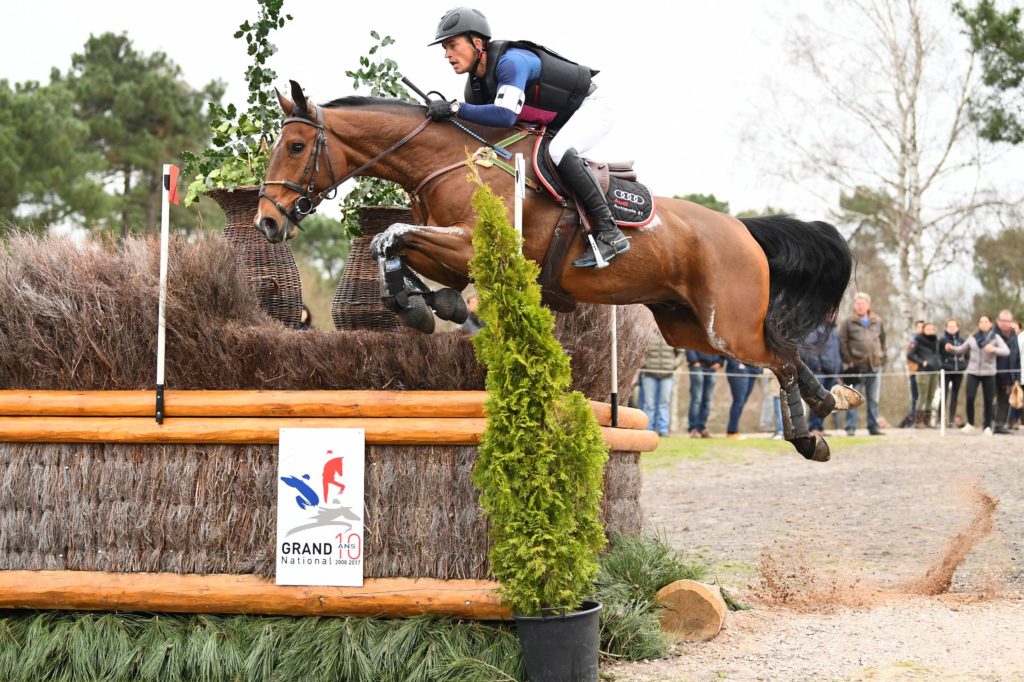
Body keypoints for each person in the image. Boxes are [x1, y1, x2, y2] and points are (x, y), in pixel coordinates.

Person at [427, 7, 629, 268]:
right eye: (445, 48)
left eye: (452, 45)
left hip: (592, 106)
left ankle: (610, 232)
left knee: (558, 151)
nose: (447, 55)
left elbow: (505, 116)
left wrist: (454, 108)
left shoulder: (512, 63)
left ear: (477, 43)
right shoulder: (475, 87)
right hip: (557, 119)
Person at [945, 314, 1009, 435]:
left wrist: (994, 349)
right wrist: (951, 348)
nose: (983, 324)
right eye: (981, 322)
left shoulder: (995, 338)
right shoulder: (972, 338)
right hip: (973, 372)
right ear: (979, 324)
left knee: (988, 400)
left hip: (989, 373)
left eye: (986, 322)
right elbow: (961, 349)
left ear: (990, 324)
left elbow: (1006, 351)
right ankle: (970, 423)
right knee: (969, 398)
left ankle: (987, 426)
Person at [838, 292, 886, 436]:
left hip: (875, 367)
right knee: (853, 398)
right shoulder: (848, 322)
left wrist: (882, 358)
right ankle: (851, 427)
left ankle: (873, 427)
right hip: (856, 367)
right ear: (854, 305)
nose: (860, 306)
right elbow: (842, 343)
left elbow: (883, 341)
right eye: (857, 303)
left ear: (868, 305)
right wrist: (848, 361)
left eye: (862, 303)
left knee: (873, 399)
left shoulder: (877, 321)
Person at [638, 328, 685, 436]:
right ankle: (648, 428)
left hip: (667, 375)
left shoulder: (672, 335)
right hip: (649, 375)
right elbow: (640, 351)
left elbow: (681, 353)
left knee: (664, 403)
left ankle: (663, 430)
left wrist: (673, 365)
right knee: (649, 404)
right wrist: (645, 365)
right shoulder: (646, 333)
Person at [801, 321, 842, 436]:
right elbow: (808, 346)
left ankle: (819, 427)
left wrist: (838, 371)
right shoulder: (816, 327)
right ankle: (813, 427)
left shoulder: (834, 329)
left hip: (832, 372)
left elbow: (837, 352)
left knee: (827, 402)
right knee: (818, 400)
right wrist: (817, 365)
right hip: (819, 371)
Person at [906, 322, 942, 427]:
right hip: (923, 372)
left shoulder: (936, 341)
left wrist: (938, 363)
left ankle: (927, 421)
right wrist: (922, 362)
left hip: (934, 371)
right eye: (928, 328)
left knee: (931, 396)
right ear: (924, 330)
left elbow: (938, 354)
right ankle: (919, 421)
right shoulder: (917, 340)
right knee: (922, 396)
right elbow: (910, 354)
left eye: (932, 328)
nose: (930, 330)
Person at [993, 309, 1021, 434]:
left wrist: (1017, 376)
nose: (1005, 323)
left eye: (1008, 321)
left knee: (1004, 401)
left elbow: (1017, 357)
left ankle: (1000, 425)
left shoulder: (1014, 336)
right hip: (993, 373)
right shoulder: (993, 334)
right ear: (998, 321)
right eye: (1003, 321)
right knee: (991, 400)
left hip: (1009, 374)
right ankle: (988, 424)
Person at [685, 349, 723, 438]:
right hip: (697, 366)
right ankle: (693, 428)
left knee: (707, 401)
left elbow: (721, 347)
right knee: (696, 399)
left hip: (712, 368)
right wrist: (694, 361)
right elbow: (689, 345)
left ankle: (701, 427)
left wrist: (720, 362)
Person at [939, 318, 968, 427]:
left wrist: (964, 365)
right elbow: (938, 355)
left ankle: (951, 421)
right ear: (946, 328)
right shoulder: (942, 340)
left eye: (954, 326)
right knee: (944, 395)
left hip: (958, 371)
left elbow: (967, 355)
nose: (952, 328)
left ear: (958, 327)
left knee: (954, 397)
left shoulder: (962, 340)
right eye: (950, 326)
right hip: (945, 371)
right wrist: (941, 366)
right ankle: (940, 420)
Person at [724, 357, 760, 439]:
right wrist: (736, 364)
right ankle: (731, 431)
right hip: (738, 369)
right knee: (738, 401)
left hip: (753, 370)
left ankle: (734, 431)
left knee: (742, 402)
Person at [900, 320, 924, 428]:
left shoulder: (928, 341)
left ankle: (923, 420)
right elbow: (908, 357)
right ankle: (913, 419)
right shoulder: (912, 342)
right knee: (915, 396)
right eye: (918, 327)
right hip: (915, 372)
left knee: (925, 397)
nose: (920, 329)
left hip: (927, 373)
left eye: (922, 327)